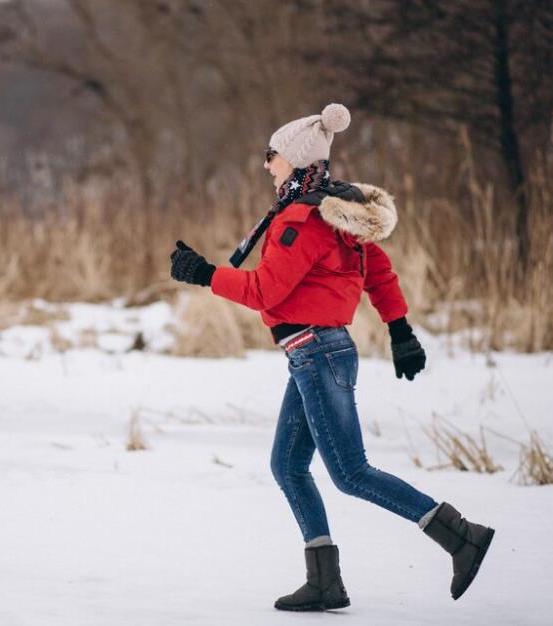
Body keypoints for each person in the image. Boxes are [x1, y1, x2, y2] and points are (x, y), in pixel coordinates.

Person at [169, 103, 495, 612]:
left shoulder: (301, 219)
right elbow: (378, 271)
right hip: (316, 354)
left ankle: (461, 536)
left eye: (270, 155)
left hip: (317, 352)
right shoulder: (337, 213)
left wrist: (205, 274)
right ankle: (324, 581)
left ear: (295, 161)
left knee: (350, 473)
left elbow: (266, 290)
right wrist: (400, 329)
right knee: (288, 464)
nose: (265, 165)